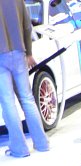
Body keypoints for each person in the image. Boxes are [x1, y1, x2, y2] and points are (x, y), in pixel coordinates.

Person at [0, 0, 50, 157]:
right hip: (19, 52)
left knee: (8, 103)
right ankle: (42, 143)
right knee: (28, 99)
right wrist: (29, 53)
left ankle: (19, 148)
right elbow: (27, 26)